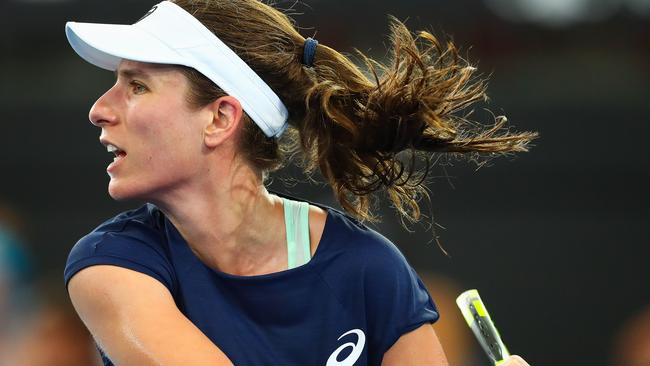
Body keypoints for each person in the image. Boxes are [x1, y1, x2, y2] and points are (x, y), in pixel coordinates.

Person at [63, 1, 537, 365]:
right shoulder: (110, 266)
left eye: (137, 85)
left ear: (220, 118)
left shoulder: (366, 267)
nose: (99, 109)